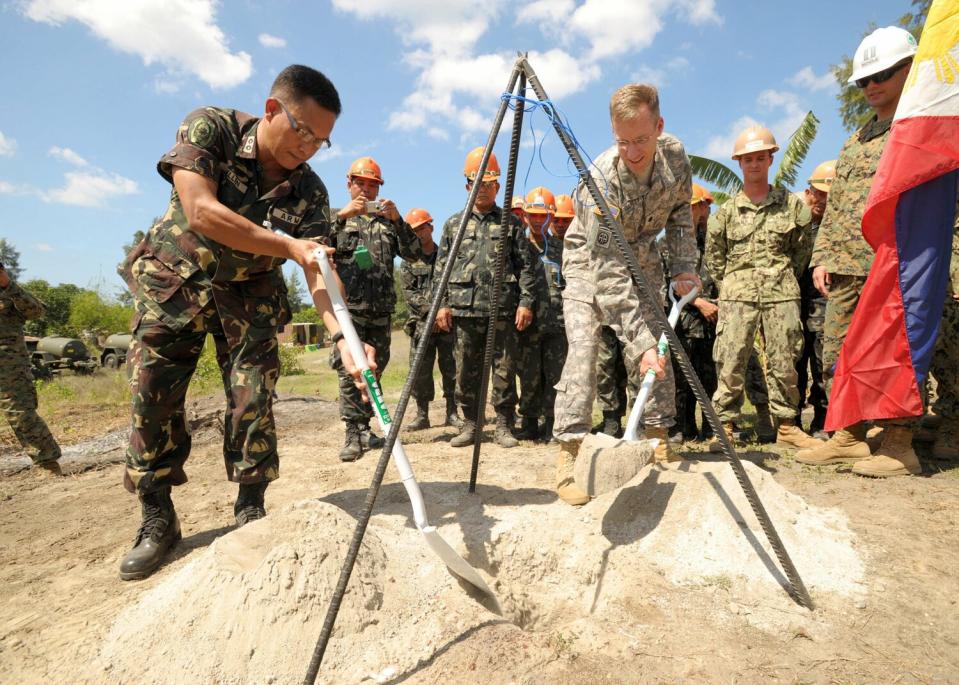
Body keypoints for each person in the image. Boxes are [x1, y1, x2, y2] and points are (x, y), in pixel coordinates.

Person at [117, 64, 373, 580]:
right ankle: (157, 517)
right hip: (176, 282)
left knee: (254, 397)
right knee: (153, 397)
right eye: (304, 132)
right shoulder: (209, 128)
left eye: (321, 141)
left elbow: (318, 271)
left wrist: (346, 338)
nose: (309, 148)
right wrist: (288, 246)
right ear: (273, 110)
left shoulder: (312, 193)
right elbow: (201, 210)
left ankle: (251, 508)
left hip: (251, 295)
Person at [553, 83, 701, 505]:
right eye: (623, 142)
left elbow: (679, 215)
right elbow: (610, 275)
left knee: (659, 339)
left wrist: (685, 265)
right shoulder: (599, 182)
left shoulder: (675, 156)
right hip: (591, 259)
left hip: (643, 251)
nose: (633, 152)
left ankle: (656, 436)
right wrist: (636, 346)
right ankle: (570, 453)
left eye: (641, 140)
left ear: (659, 126)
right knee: (584, 346)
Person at [796, 27, 922, 476]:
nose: (871, 86)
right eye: (863, 81)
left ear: (910, 69)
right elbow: (837, 207)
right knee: (839, 353)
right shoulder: (855, 140)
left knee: (894, 352)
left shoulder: (920, 131)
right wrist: (823, 255)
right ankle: (847, 436)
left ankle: (898, 442)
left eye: (882, 74)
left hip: (896, 261)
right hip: (847, 266)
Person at [705, 125, 821, 452]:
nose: (754, 164)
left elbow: (800, 252)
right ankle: (724, 426)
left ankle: (786, 425)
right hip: (737, 296)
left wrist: (779, 276)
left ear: (771, 158)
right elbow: (715, 258)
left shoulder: (792, 206)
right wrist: (734, 284)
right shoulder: (725, 213)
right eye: (747, 159)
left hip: (781, 292)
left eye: (760, 157)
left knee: (785, 358)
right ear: (739, 163)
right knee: (730, 359)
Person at [435, 148, 537, 449]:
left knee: (504, 370)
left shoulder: (511, 224)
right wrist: (441, 304)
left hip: (502, 310)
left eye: (489, 184)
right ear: (468, 185)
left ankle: (504, 424)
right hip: (464, 310)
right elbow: (441, 267)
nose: (483, 189)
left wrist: (526, 301)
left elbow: (526, 266)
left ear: (497, 187)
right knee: (466, 370)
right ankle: (471, 424)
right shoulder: (454, 224)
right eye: (477, 183)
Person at [330, 157, 423, 460]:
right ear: (349, 184)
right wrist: (344, 214)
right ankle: (352, 432)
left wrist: (398, 221)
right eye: (361, 183)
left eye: (373, 185)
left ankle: (366, 427)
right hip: (350, 310)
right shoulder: (335, 218)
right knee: (351, 372)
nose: (367, 190)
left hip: (381, 311)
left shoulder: (387, 223)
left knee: (375, 370)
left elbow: (414, 253)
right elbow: (314, 241)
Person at [515, 186, 568, 442]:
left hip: (557, 324)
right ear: (524, 216)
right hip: (527, 325)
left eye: (543, 216)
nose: (537, 221)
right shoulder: (518, 247)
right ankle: (529, 423)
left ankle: (552, 424)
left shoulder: (562, 248)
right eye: (532, 216)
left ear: (551, 216)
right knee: (529, 375)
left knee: (555, 376)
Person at [399, 208, 460, 430]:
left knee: (451, 369)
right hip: (422, 324)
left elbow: (455, 286)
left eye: (423, 228)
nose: (419, 233)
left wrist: (445, 310)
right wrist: (432, 312)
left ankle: (452, 413)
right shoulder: (408, 260)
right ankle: (422, 415)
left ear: (431, 228)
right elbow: (409, 293)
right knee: (420, 372)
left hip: (447, 324)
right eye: (414, 230)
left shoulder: (447, 256)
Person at [0, 262, 62, 474]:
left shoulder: (9, 294)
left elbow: (37, 311)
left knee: (21, 414)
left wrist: (8, 285)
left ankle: (47, 463)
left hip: (8, 366)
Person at [670, 184, 719, 442]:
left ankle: (711, 428)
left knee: (709, 378)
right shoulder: (671, 242)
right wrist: (698, 302)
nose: (703, 213)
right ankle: (682, 428)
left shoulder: (713, 241)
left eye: (705, 207)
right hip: (683, 322)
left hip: (711, 323)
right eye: (699, 207)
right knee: (682, 379)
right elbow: (668, 280)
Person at [795, 161, 836, 437]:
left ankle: (823, 419)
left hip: (825, 306)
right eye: (818, 193)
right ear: (809, 192)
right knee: (794, 363)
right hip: (795, 303)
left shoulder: (837, 229)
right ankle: (792, 420)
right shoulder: (796, 225)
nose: (822, 200)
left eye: (827, 194)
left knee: (823, 364)